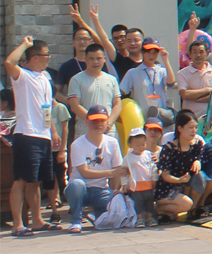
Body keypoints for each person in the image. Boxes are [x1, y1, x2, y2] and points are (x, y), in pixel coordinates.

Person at [7, 37, 59, 237]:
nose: (49, 58)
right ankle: (17, 224)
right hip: (26, 134)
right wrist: (24, 46)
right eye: (46, 55)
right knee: (21, 180)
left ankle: (37, 220)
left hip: (43, 135)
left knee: (35, 180)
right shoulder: (23, 76)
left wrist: (52, 131)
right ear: (35, 57)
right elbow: (9, 63)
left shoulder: (45, 77)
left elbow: (46, 108)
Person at [64, 105, 124, 234]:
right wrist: (111, 173)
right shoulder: (77, 144)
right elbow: (84, 173)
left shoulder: (112, 142)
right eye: (94, 121)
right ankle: (76, 221)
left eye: (102, 120)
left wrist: (116, 190)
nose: (98, 124)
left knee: (110, 196)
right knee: (76, 185)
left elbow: (118, 169)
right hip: (81, 190)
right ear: (86, 122)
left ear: (107, 122)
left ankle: (98, 217)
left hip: (100, 191)